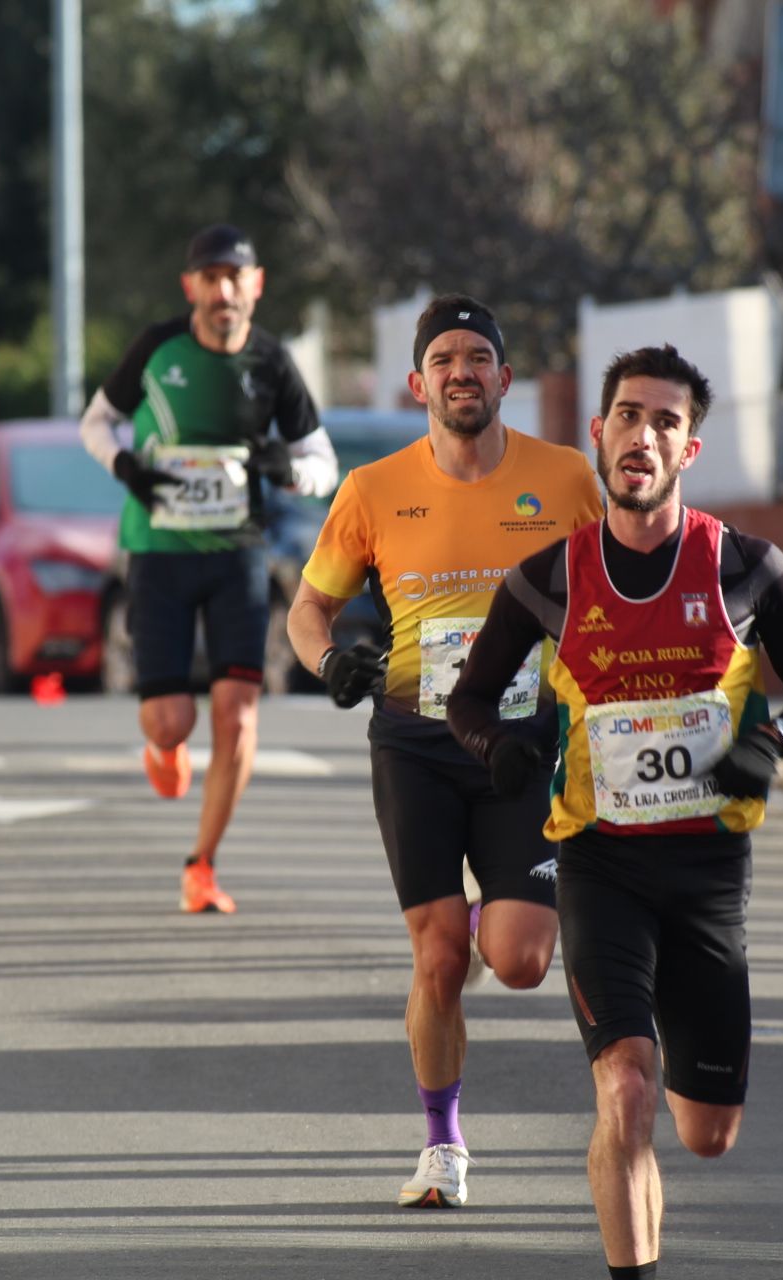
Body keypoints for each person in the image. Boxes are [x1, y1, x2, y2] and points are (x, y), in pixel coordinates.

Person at [446, 345, 783, 1279]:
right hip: (600, 868)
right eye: (628, 415)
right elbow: (470, 702)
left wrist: (770, 746)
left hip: (706, 877)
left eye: (665, 422)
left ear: (688, 450)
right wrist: (500, 749)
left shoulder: (744, 567)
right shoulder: (547, 578)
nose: (643, 434)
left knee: (705, 1135)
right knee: (625, 1090)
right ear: (599, 433)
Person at [287, 294, 605, 1209]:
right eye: (444, 359)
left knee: (517, 960)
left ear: (505, 379)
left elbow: (611, 592)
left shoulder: (568, 479)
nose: (461, 372)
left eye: (478, 357)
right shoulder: (374, 489)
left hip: (519, 748)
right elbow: (309, 610)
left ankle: (475, 919)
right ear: (417, 381)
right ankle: (443, 1144)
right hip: (417, 744)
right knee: (434, 963)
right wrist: (331, 661)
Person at [79, 223, 337, 915]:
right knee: (170, 723)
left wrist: (286, 468)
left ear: (256, 286)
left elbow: (323, 464)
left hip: (237, 556)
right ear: (190, 286)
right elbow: (95, 423)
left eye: (236, 277)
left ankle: (202, 864)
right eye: (211, 277)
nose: (223, 290)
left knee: (239, 716)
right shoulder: (158, 349)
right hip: (160, 552)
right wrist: (125, 466)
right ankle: (163, 747)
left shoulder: (272, 363)